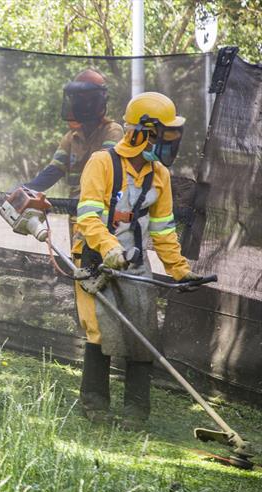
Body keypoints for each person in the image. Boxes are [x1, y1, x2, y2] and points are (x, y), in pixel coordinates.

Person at [76, 91, 203, 425]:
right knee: (101, 331)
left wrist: (179, 270)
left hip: (134, 263)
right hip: (95, 259)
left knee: (142, 332)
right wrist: (109, 249)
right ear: (141, 132)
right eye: (165, 135)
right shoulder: (102, 163)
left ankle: (136, 410)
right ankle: (95, 405)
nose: (169, 143)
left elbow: (162, 230)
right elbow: (88, 217)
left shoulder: (159, 174)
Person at [25, 68, 125, 359]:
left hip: (106, 219)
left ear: (95, 102)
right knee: (82, 271)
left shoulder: (113, 132)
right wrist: (26, 189)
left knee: (107, 271)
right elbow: (53, 170)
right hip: (76, 216)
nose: (76, 105)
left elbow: (103, 168)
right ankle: (90, 333)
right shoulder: (72, 136)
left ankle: (109, 336)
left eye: (82, 100)